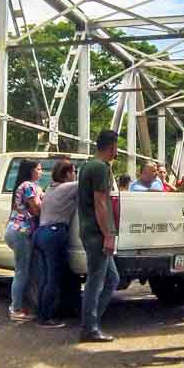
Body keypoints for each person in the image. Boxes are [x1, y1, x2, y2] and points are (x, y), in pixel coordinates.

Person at [78, 131, 121, 343]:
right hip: (97, 233)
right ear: (112, 146)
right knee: (96, 281)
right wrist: (109, 235)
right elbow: (101, 203)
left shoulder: (87, 165)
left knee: (112, 278)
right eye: (116, 147)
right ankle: (90, 327)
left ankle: (91, 321)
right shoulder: (101, 168)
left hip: (89, 230)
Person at [33, 160, 78, 329]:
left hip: (41, 233)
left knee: (45, 278)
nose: (74, 174)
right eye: (73, 171)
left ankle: (42, 314)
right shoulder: (68, 187)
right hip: (54, 233)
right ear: (67, 174)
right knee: (53, 278)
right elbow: (88, 182)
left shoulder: (50, 188)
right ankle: (46, 318)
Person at [4, 161, 43, 322]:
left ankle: (25, 305)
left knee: (27, 270)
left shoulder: (26, 185)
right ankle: (16, 308)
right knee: (21, 271)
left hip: (16, 231)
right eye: (39, 169)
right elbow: (36, 209)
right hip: (21, 231)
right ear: (31, 171)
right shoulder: (28, 186)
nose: (41, 172)